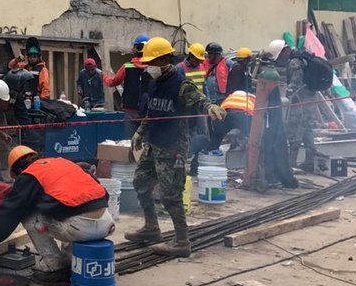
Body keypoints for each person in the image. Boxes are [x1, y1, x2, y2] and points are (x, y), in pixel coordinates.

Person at [124, 37, 225, 257]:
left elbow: (200, 99)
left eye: (153, 62)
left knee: (171, 195)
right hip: (154, 143)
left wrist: (212, 107)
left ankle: (181, 241)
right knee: (140, 183)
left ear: (165, 59)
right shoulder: (154, 83)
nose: (149, 66)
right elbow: (152, 112)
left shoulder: (180, 85)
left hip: (173, 146)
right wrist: (141, 132)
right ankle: (151, 228)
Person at [0, 146, 113, 284]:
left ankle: (56, 267)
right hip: (106, 223)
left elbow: (10, 214)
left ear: (20, 171)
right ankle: (73, 261)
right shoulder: (62, 163)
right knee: (68, 210)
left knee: (30, 218)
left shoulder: (29, 175)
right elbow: (100, 192)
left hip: (82, 228)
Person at [189, 90, 254, 176]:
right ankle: (252, 171)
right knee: (253, 141)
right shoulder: (253, 100)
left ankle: (199, 168)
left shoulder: (231, 97)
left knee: (214, 143)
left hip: (225, 113)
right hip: (244, 114)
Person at [103, 34, 150, 137]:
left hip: (130, 110)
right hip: (148, 112)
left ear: (136, 48)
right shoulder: (154, 68)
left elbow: (112, 82)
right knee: (145, 144)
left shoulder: (127, 66)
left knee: (129, 142)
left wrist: (105, 77)